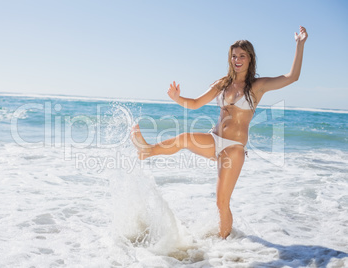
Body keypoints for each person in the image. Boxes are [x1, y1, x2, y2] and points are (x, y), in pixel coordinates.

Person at [131, 26, 308, 239]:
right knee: (184, 138)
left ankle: (224, 246)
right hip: (214, 139)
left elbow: (292, 77)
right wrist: (178, 98)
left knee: (221, 202)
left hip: (234, 148)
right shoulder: (222, 83)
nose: (237, 59)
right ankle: (147, 151)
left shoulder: (257, 86)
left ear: (250, 58)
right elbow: (195, 103)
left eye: (242, 55)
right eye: (234, 56)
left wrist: (299, 45)